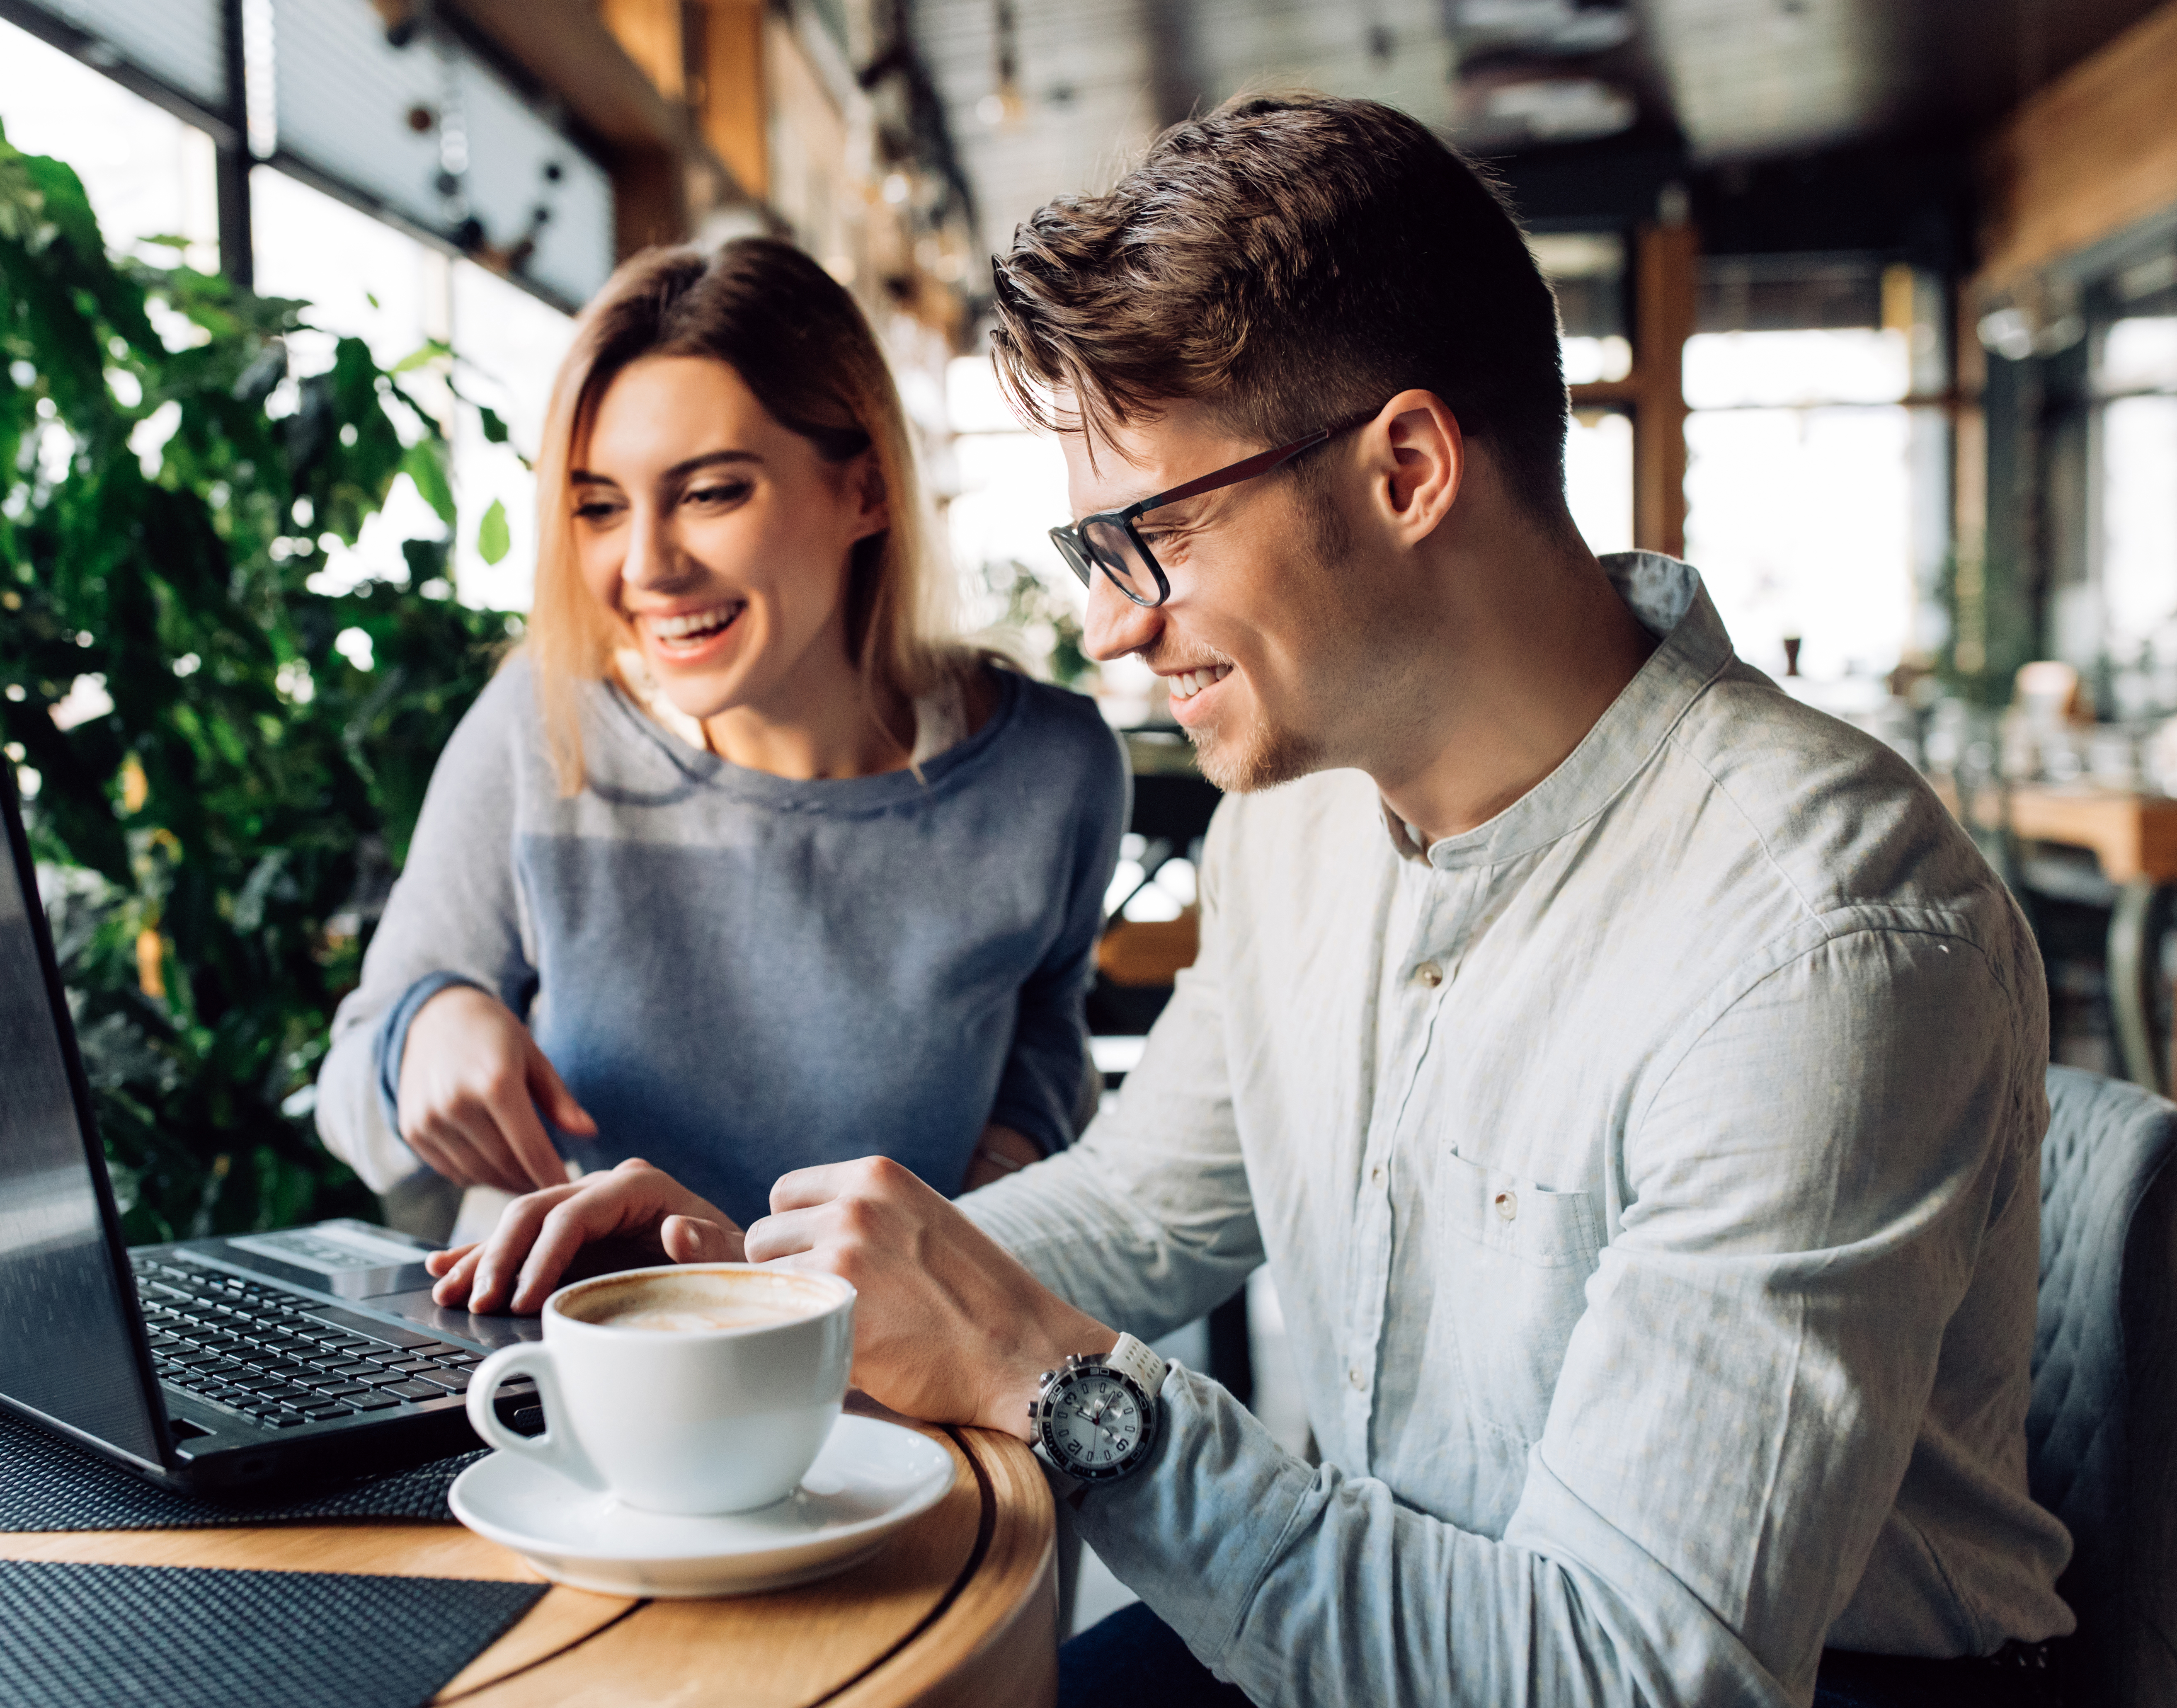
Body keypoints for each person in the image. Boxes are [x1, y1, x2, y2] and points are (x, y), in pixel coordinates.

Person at [443, 97, 2078, 1708]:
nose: (1102, 630)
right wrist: (757, 1289)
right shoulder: (1294, 823)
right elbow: (1149, 1208)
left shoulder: (1817, 935)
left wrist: (1050, 1379)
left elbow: (1633, 1670)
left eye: (1145, 536)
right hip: (1392, 1607)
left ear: (1410, 469)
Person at [316, 237, 1125, 1261]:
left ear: (865, 492)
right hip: (586, 1367)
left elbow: (1047, 1028)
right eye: (599, 508)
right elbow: (355, 1077)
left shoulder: (1051, 771)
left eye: (710, 493)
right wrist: (424, 1031)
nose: (646, 565)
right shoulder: (543, 723)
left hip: (887, 1374)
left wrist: (987, 1199)